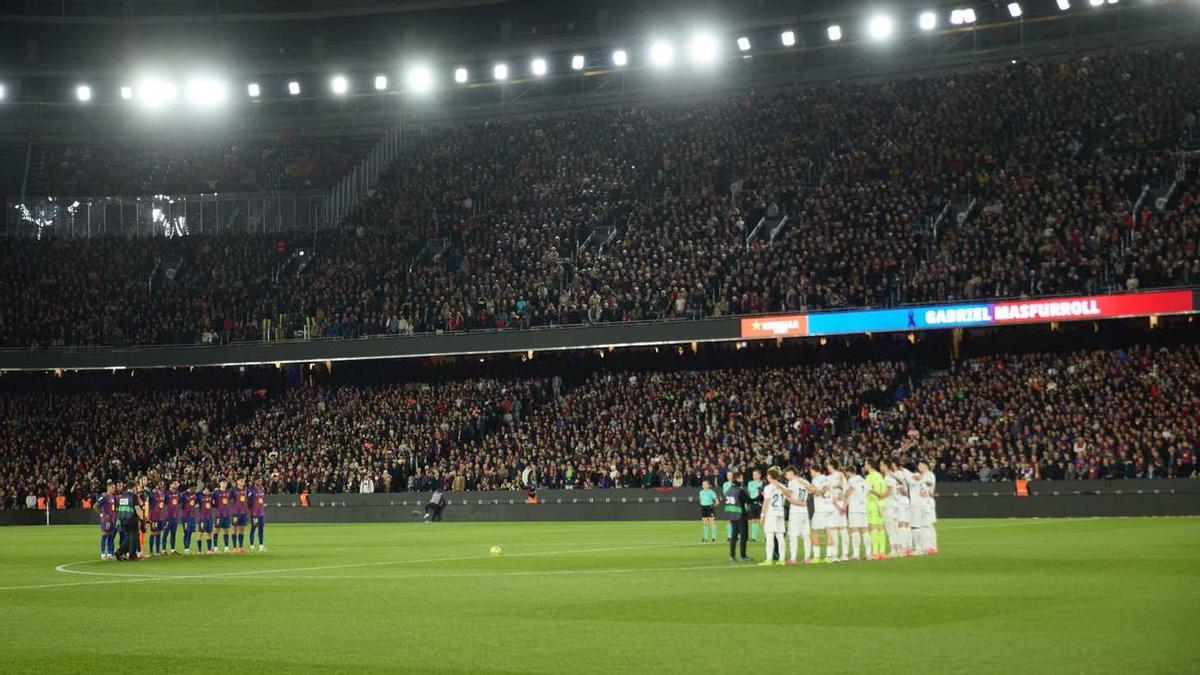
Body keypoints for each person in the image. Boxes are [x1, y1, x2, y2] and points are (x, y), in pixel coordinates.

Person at [780, 466, 817, 565]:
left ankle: (793, 558)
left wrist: (786, 497)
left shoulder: (792, 483)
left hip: (795, 512)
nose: (786, 476)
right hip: (804, 512)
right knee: (805, 535)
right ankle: (807, 558)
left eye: (787, 474)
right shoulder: (803, 481)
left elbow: (791, 497)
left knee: (793, 535)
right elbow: (813, 490)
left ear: (792, 473)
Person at [758, 468, 787, 566]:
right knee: (780, 537)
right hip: (780, 513)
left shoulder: (768, 488)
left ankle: (769, 559)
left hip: (771, 514)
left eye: (767, 475)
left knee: (769, 537)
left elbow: (766, 502)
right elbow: (786, 499)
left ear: (770, 477)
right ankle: (782, 559)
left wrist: (762, 515)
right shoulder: (782, 486)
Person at [884, 460, 912, 557]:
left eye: (893, 465)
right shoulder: (902, 473)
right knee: (904, 525)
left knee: (900, 526)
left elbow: (902, 489)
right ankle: (907, 547)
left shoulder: (897, 473)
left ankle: (902, 548)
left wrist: (893, 477)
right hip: (901, 501)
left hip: (900, 501)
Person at [722, 472, 752, 563]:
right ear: (738, 479)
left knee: (733, 536)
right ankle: (743, 556)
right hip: (741, 515)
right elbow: (749, 501)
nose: (742, 480)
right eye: (741, 478)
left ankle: (732, 555)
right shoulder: (740, 490)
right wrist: (759, 497)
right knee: (743, 536)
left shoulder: (729, 490)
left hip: (732, 515)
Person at [845, 465, 871, 561]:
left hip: (854, 508)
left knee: (854, 530)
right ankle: (868, 554)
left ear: (849, 472)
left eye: (846, 473)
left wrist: (844, 494)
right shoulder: (863, 480)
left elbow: (850, 491)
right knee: (865, 531)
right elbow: (869, 491)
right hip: (863, 507)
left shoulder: (851, 480)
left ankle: (856, 554)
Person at [865, 459, 889, 560]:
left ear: (869, 466)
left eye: (866, 464)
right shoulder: (880, 476)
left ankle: (875, 552)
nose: (864, 466)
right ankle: (882, 552)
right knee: (881, 528)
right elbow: (885, 490)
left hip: (872, 503)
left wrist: (877, 495)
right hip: (882, 504)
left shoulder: (869, 477)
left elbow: (871, 489)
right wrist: (882, 497)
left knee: (874, 528)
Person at [826, 459, 850, 562]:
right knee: (843, 531)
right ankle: (845, 555)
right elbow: (847, 492)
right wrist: (844, 506)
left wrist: (838, 507)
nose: (827, 467)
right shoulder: (842, 476)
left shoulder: (829, 478)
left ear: (831, 466)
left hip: (833, 506)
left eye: (828, 465)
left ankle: (835, 555)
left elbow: (830, 495)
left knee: (834, 530)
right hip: (842, 506)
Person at [114, 482, 144, 562]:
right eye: (136, 488)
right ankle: (132, 556)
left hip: (122, 520)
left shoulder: (121, 497)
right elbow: (137, 509)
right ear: (133, 488)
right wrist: (142, 519)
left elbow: (117, 509)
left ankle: (120, 552)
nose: (136, 490)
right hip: (131, 519)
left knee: (128, 537)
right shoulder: (133, 497)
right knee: (134, 537)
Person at [914, 461, 939, 554]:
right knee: (925, 525)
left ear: (925, 466)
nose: (918, 466)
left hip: (928, 502)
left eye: (920, 465)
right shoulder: (922, 475)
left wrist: (921, 479)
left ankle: (930, 546)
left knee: (927, 525)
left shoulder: (929, 475)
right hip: (922, 502)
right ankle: (928, 546)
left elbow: (930, 483)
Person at [93, 481, 118, 561]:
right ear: (108, 487)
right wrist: (101, 515)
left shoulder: (113, 496)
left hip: (112, 519)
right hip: (106, 520)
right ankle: (103, 553)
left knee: (111, 535)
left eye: (114, 487)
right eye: (112, 487)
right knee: (104, 534)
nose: (114, 489)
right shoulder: (104, 496)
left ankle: (110, 553)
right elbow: (95, 506)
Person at [231, 477, 250, 553]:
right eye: (241, 481)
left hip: (244, 513)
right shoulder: (233, 490)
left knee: (242, 529)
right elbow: (227, 498)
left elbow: (250, 497)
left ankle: (241, 547)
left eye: (243, 481)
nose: (242, 482)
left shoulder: (246, 489)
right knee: (235, 529)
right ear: (237, 482)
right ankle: (234, 547)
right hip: (236, 513)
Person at [248, 477, 267, 552]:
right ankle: (252, 545)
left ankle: (261, 546)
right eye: (258, 480)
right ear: (254, 481)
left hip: (261, 513)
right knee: (253, 528)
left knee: (261, 528)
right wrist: (252, 510)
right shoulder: (251, 490)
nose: (260, 481)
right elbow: (248, 502)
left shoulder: (262, 489)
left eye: (261, 480)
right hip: (254, 513)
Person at [162, 481, 180, 555]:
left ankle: (172, 550)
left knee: (173, 533)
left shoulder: (178, 493)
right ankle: (163, 550)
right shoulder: (166, 493)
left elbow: (179, 502)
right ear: (171, 484)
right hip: (167, 517)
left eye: (177, 484)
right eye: (175, 484)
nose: (176, 485)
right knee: (165, 533)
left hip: (175, 517)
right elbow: (162, 504)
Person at [214, 479, 232, 553]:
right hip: (219, 514)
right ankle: (215, 547)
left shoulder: (229, 492)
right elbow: (212, 501)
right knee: (217, 530)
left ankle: (226, 547)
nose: (224, 484)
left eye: (225, 483)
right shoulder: (216, 492)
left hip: (226, 514)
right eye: (223, 483)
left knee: (226, 530)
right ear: (219, 483)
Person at [746, 469, 764, 543]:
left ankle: (766, 537)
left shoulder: (763, 483)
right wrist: (758, 489)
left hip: (760, 503)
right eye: (753, 474)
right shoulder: (750, 483)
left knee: (763, 520)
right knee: (754, 520)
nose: (754, 476)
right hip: (752, 503)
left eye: (756, 474)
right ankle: (753, 538)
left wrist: (758, 490)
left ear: (759, 475)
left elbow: (761, 492)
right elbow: (751, 491)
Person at [180, 484, 197, 554]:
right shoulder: (183, 494)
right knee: (186, 532)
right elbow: (181, 504)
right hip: (185, 516)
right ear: (190, 487)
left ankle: (188, 549)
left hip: (192, 516)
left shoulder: (194, 494)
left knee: (190, 533)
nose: (195, 490)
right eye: (194, 488)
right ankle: (186, 548)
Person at [197, 487, 214, 554]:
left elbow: (213, 504)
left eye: (210, 491)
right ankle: (199, 551)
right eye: (208, 490)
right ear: (205, 489)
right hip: (202, 518)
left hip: (209, 517)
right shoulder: (200, 496)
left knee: (209, 533)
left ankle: (209, 550)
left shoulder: (210, 496)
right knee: (200, 533)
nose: (209, 492)